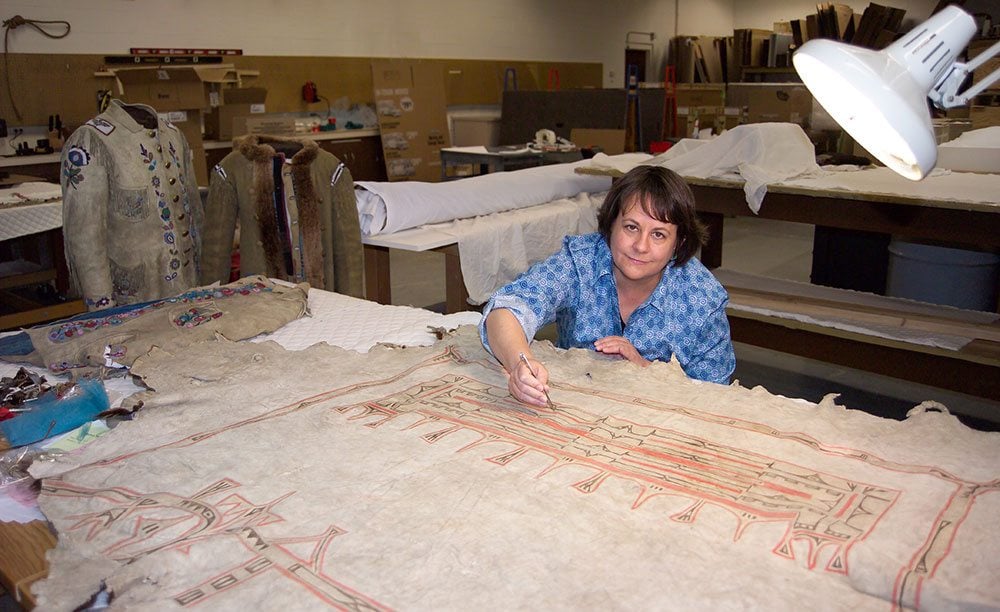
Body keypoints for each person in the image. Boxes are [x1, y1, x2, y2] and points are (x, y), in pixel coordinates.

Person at [479, 164, 735, 407]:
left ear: (679, 243)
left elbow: (713, 396)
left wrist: (645, 369)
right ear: (611, 225)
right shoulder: (580, 261)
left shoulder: (703, 299)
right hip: (580, 406)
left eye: (658, 234)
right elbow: (508, 309)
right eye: (631, 227)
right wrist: (521, 364)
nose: (641, 246)